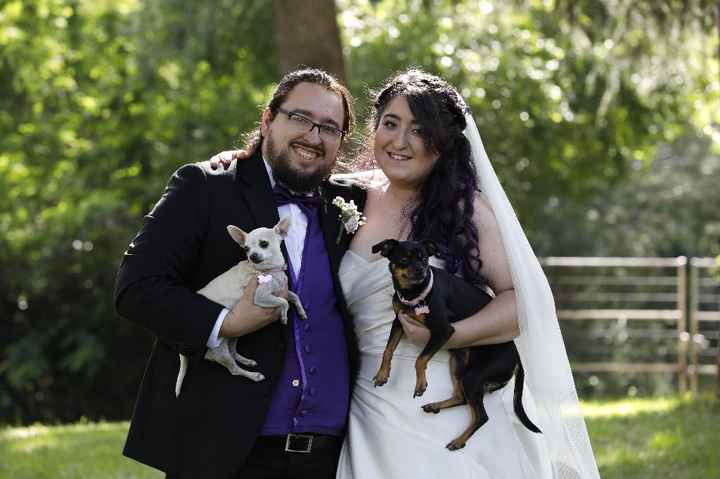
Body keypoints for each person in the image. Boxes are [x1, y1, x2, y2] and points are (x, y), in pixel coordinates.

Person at [212, 69, 600, 478]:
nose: (400, 142)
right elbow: (279, 172)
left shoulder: (467, 211)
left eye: (419, 130)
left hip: (447, 405)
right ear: (374, 128)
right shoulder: (343, 196)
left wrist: (450, 333)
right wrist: (233, 160)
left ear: (443, 142)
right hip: (370, 413)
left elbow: (524, 305)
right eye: (390, 124)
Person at [114, 68, 367, 479]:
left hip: (332, 455)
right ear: (268, 119)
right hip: (224, 449)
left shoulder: (353, 203)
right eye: (299, 118)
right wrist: (224, 323)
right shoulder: (205, 186)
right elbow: (136, 287)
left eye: (329, 128)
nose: (313, 136)